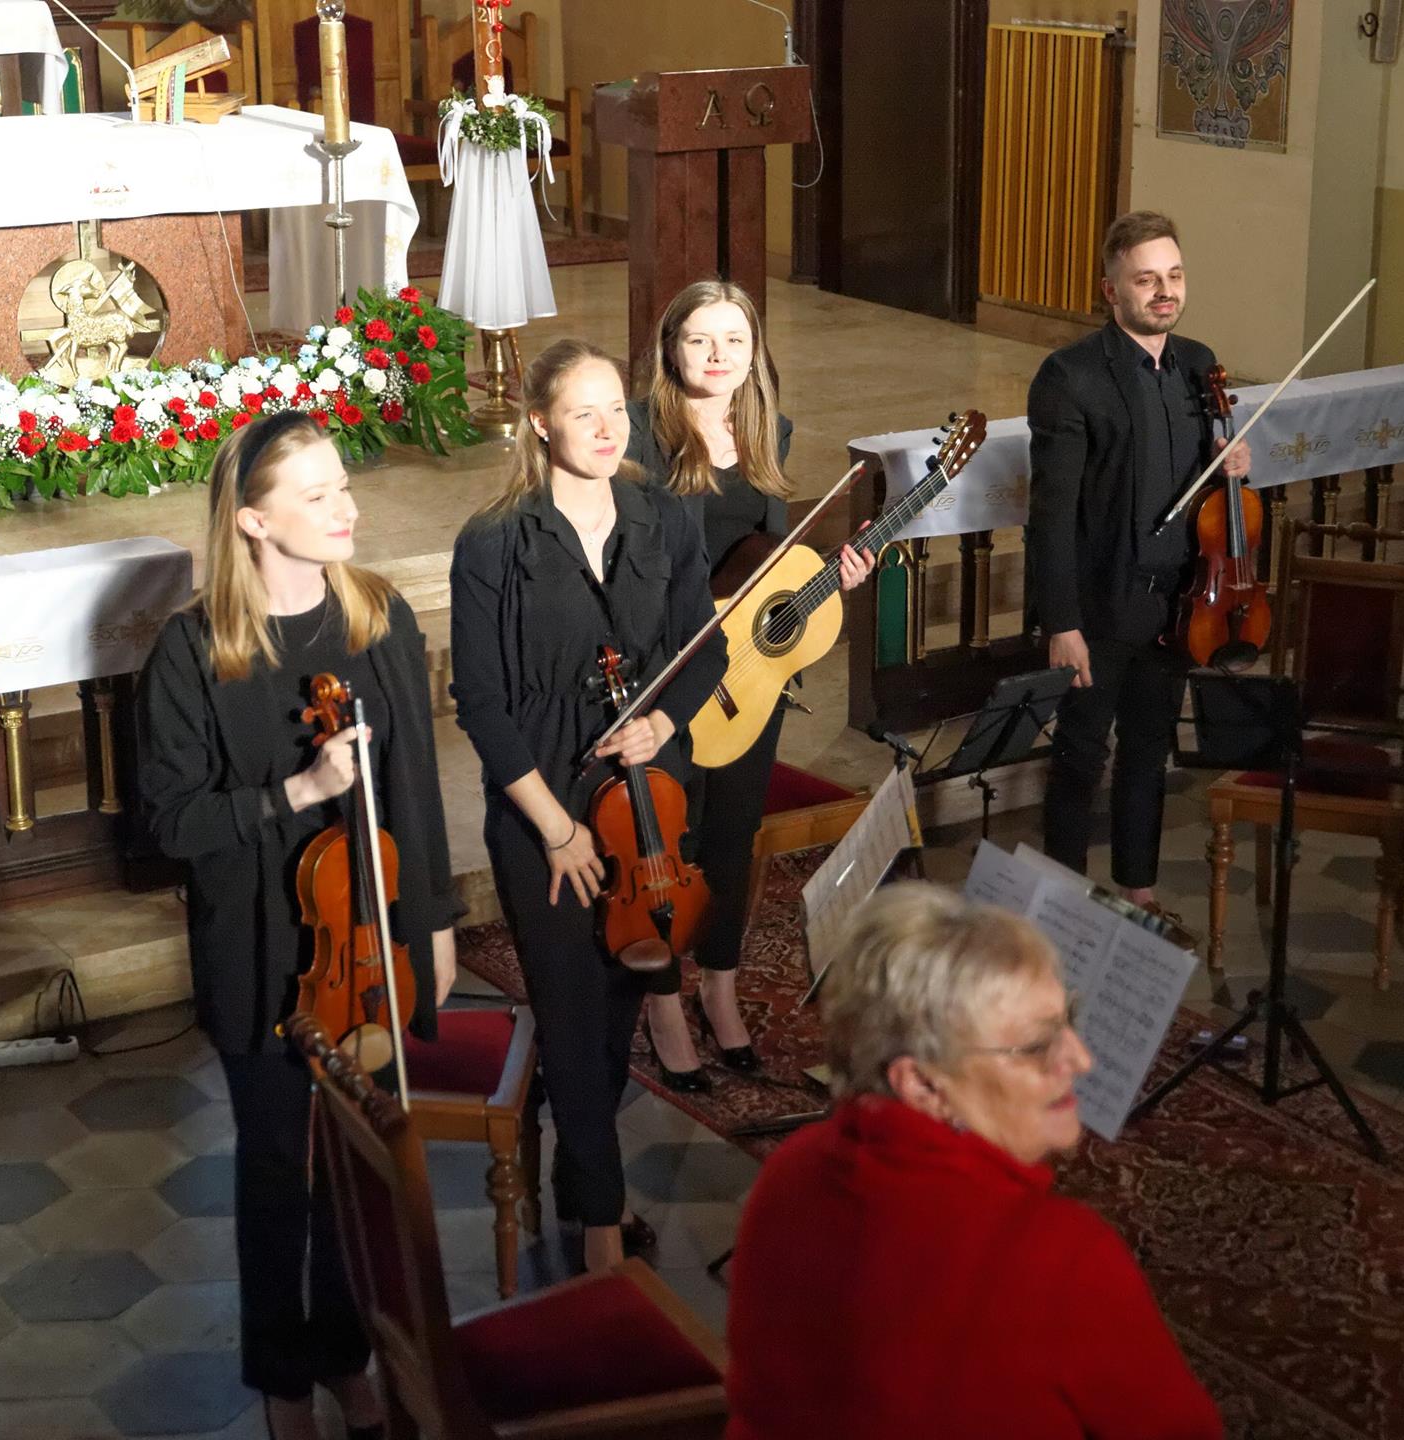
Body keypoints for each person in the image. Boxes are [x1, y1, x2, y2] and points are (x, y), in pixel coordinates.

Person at [137, 409, 462, 1440]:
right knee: (281, 1166)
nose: (344, 508)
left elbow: (414, 788)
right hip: (259, 949)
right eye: (316, 495)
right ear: (252, 520)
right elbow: (171, 823)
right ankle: (284, 1377)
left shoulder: (377, 618)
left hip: (367, 944)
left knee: (359, 1167)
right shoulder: (193, 652)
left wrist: (433, 925)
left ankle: (346, 1354)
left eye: (343, 487)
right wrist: (295, 792)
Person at [726, 883, 1222, 1439]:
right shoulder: (1060, 1259)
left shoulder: (792, 1169)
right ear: (921, 1083)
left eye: (1069, 1020)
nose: (1081, 1059)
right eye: (1036, 1046)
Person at [448, 337, 726, 1274]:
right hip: (545, 803)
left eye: (616, 409)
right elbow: (482, 704)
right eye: (583, 413)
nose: (609, 430)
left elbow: (704, 653)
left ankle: (576, 1177)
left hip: (647, 799)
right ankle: (603, 1233)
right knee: (570, 1014)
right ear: (539, 424)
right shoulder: (495, 540)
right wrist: (557, 829)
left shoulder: (663, 517)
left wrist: (663, 724)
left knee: (617, 1009)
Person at [626, 278, 872, 1084]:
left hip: (746, 678)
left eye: (734, 340)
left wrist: (831, 576)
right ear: (671, 348)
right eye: (700, 339)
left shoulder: (770, 432)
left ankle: (720, 989)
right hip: (667, 673)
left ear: (754, 351)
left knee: (732, 838)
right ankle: (663, 1000)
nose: (718, 355)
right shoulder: (640, 435)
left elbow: (768, 565)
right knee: (670, 844)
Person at [1026, 210, 1250, 940]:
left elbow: (1210, 490)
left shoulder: (1199, 364)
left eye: (1174, 276)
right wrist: (1062, 623)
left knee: (1150, 753)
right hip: (1099, 607)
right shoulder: (1071, 376)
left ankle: (1139, 893)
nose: (1164, 292)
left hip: (1182, 604)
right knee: (1080, 756)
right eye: (1147, 279)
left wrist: (1234, 468)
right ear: (1111, 289)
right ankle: (1061, 908)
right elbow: (1051, 516)